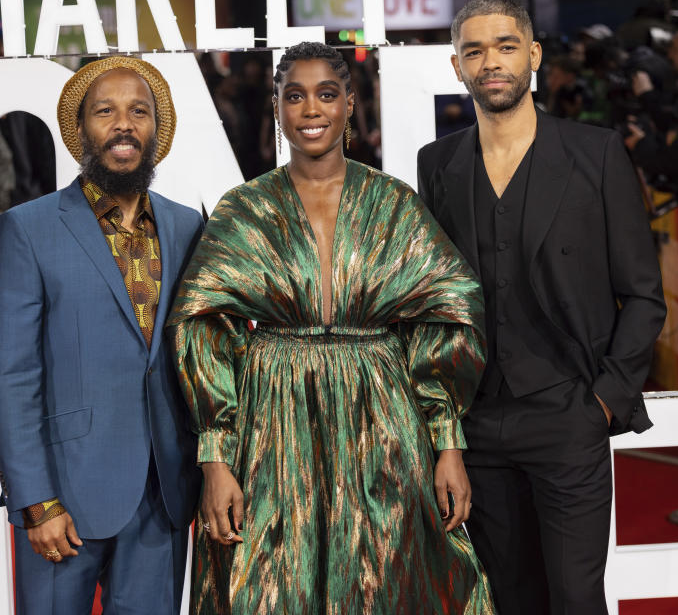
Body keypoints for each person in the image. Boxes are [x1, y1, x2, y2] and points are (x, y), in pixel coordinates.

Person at [170, 41, 495, 615]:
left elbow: (450, 308)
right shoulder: (243, 210)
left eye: (326, 94)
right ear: (276, 107)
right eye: (294, 96)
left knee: (384, 582)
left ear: (349, 103)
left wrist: (448, 443)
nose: (311, 109)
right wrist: (216, 458)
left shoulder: (393, 204)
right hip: (273, 426)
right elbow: (202, 328)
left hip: (382, 426)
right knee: (269, 587)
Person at [417, 0, 666, 615]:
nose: (490, 62)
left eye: (505, 47)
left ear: (533, 53)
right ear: (457, 67)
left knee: (576, 598)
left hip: (569, 414)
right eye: (474, 51)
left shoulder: (596, 153)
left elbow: (642, 294)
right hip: (478, 425)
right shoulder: (438, 163)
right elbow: (435, 300)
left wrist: (604, 399)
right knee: (509, 597)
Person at [0, 57, 203, 614]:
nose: (123, 125)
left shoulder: (187, 226)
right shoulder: (26, 230)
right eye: (106, 111)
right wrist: (35, 500)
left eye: (138, 112)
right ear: (82, 131)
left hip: (163, 497)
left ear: (158, 131)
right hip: (65, 498)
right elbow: (10, 376)